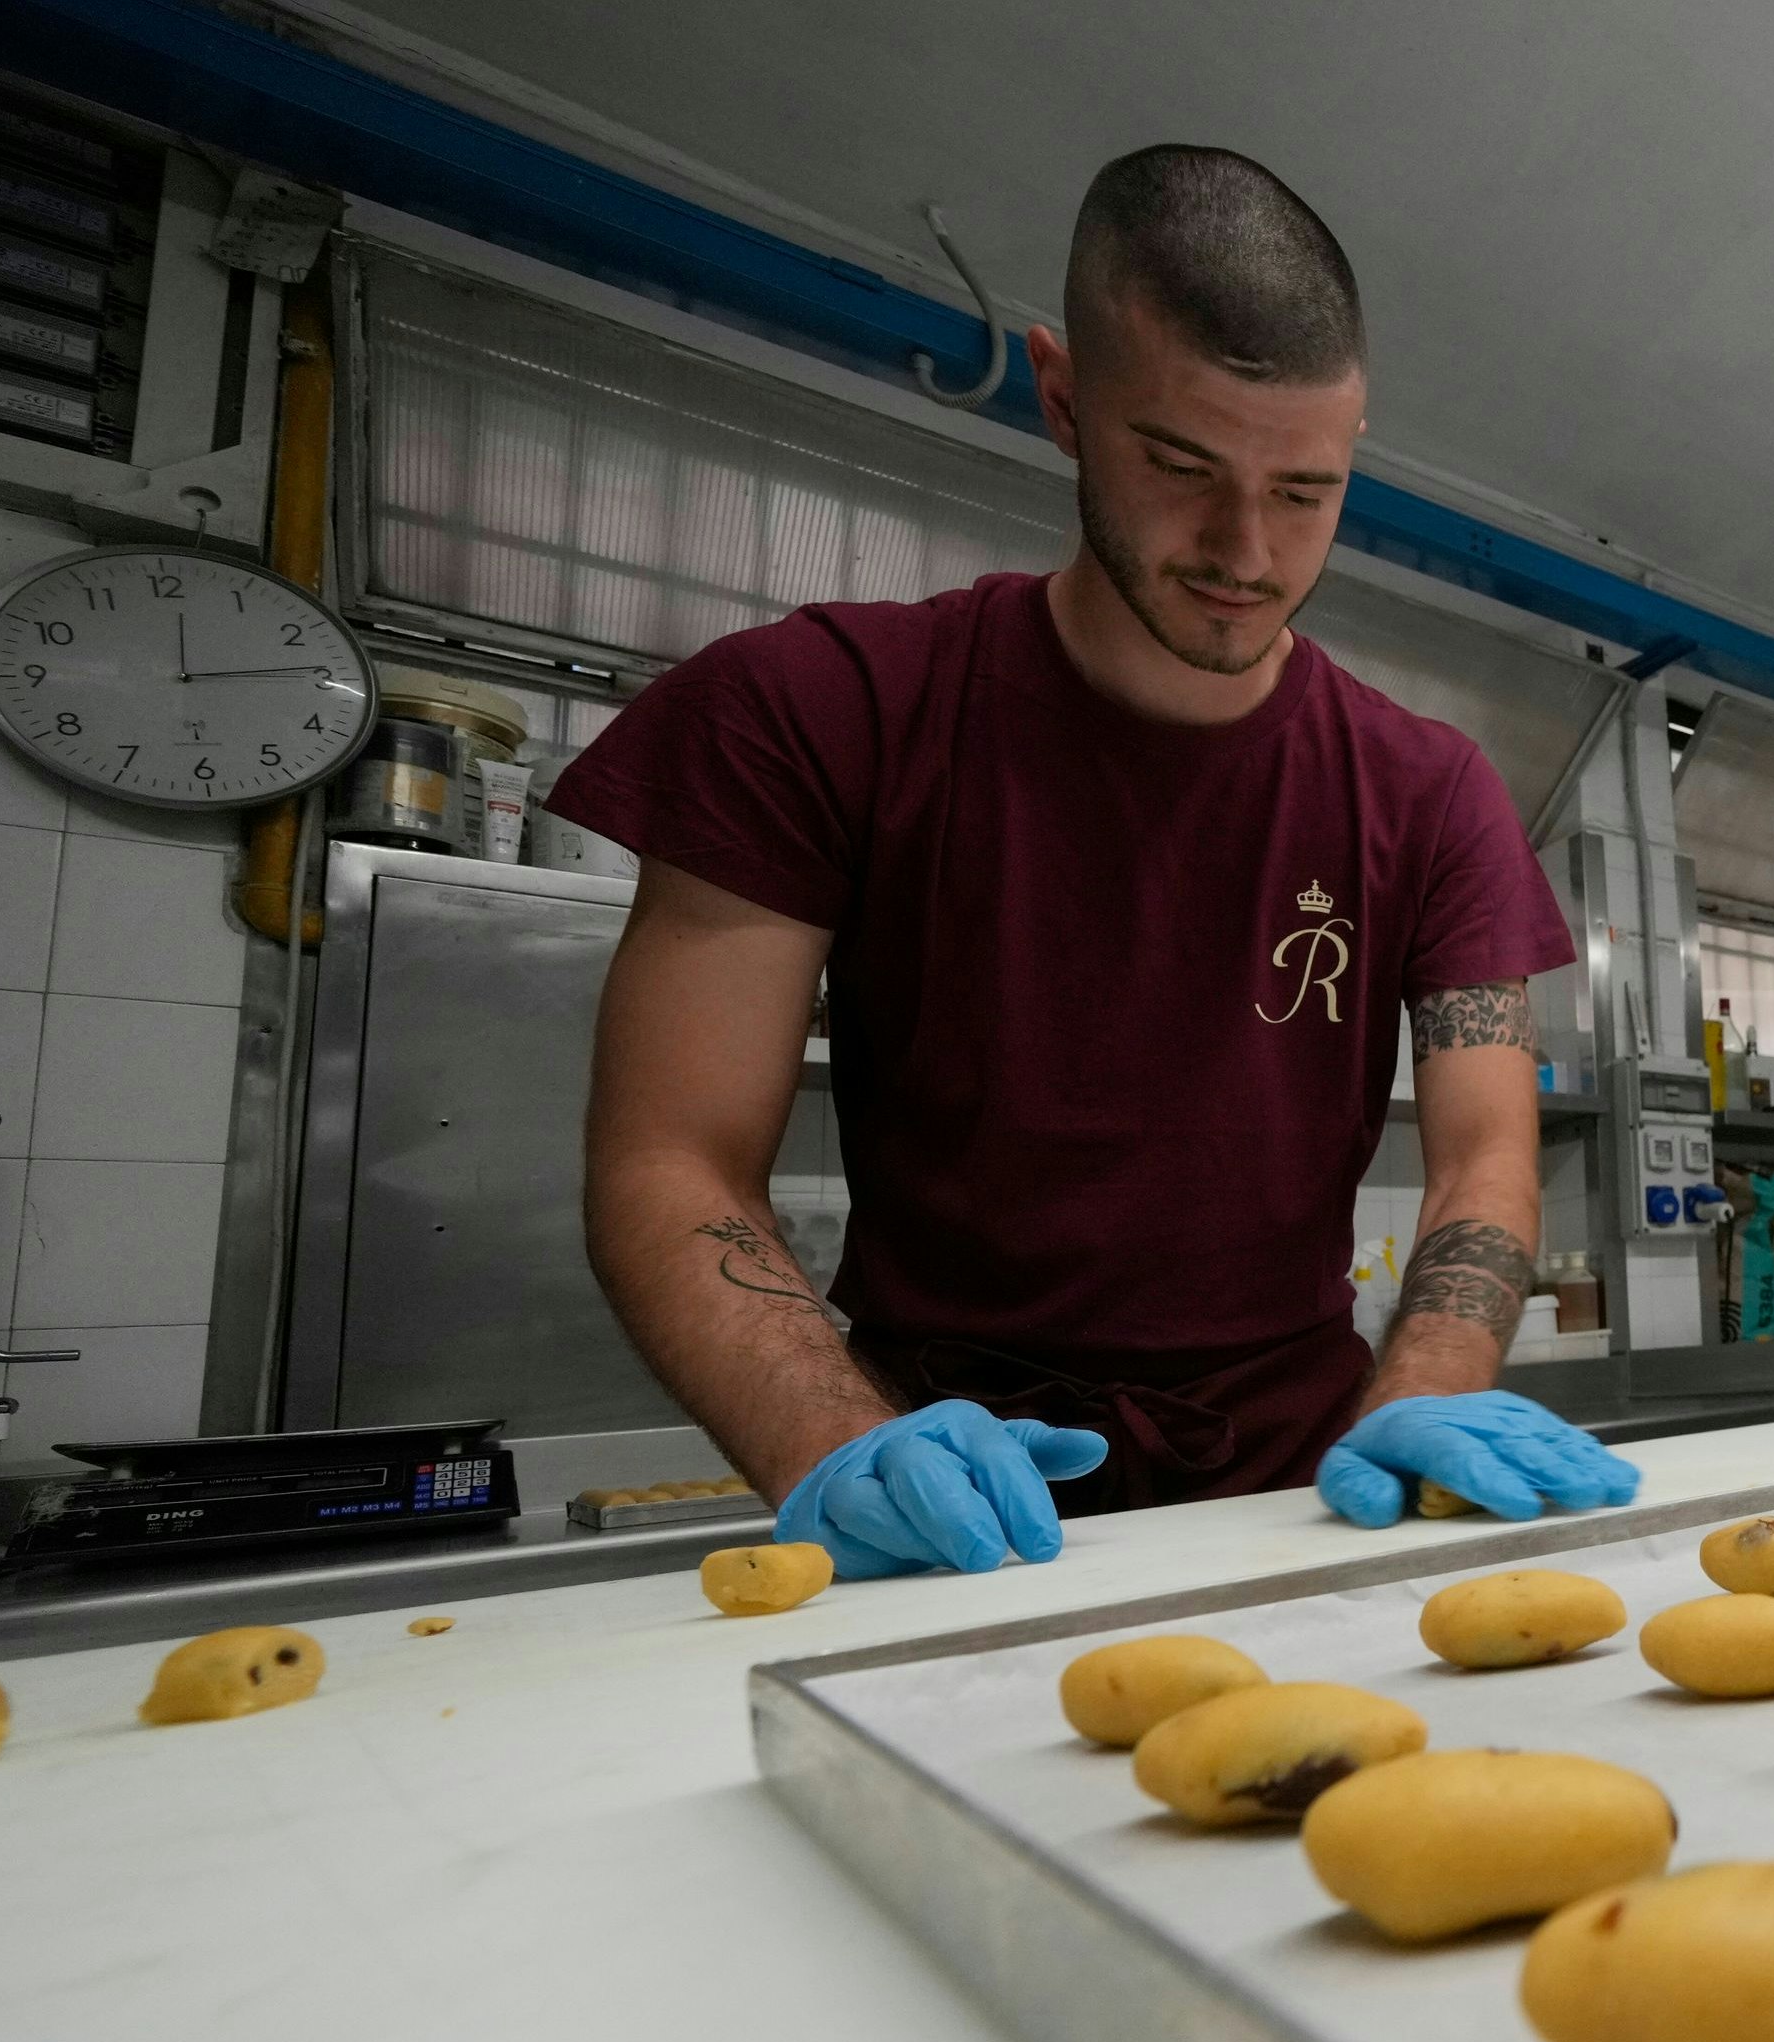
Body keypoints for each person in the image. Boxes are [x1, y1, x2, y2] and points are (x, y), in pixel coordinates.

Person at [551, 145, 1635, 1577]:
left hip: (1298, 1500)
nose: (1245, 549)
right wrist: (828, 1434)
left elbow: (1486, 1150)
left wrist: (1425, 1386)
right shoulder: (825, 711)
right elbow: (670, 1155)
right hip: (933, 1478)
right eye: (1182, 467)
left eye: (1305, 491)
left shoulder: (1428, 794)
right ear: (1063, 399)